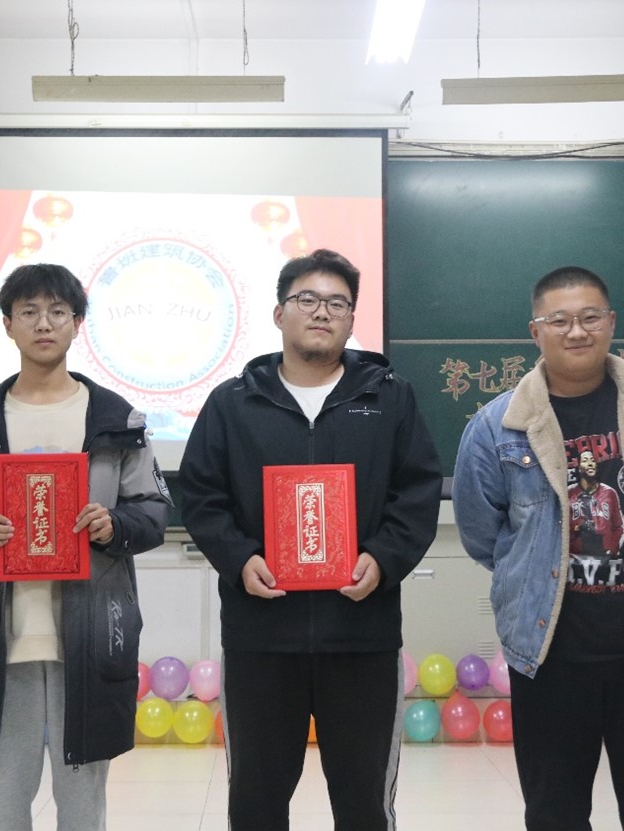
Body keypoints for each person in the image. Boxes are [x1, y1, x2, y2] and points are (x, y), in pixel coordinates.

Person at [179, 248, 442, 830]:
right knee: (256, 802)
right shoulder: (233, 402)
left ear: (351, 320)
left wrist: (383, 558)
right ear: (279, 314)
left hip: (362, 635)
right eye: (307, 299)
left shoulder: (389, 398)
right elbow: (200, 494)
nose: (322, 312)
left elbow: (418, 491)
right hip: (261, 637)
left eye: (337, 303)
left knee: (364, 804)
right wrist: (239, 559)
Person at [0, 263, 171, 831]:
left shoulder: (115, 419)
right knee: (4, 799)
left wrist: (114, 525)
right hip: (1, 634)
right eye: (29, 312)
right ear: (7, 324)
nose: (43, 324)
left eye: (58, 312)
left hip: (89, 636)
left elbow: (154, 509)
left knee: (83, 800)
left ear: (77, 324)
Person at [452, 266, 624, 831]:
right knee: (555, 814)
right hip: (549, 652)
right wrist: (535, 568)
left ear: (611, 323)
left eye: (590, 317)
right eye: (559, 320)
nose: (577, 331)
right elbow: (482, 535)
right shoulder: (496, 427)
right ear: (535, 331)